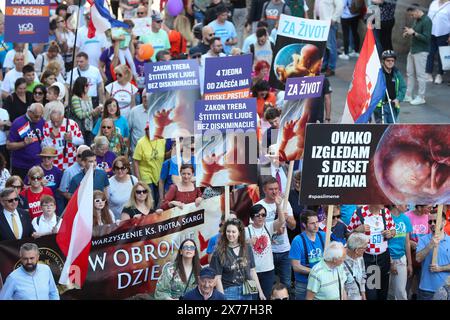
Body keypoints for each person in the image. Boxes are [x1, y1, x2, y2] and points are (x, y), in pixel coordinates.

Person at [347, 205, 396, 300]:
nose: (384, 200)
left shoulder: (385, 212)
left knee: (382, 293)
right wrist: (357, 230)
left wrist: (391, 233)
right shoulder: (359, 213)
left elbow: (393, 230)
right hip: (369, 259)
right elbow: (348, 235)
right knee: (372, 294)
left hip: (383, 258)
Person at [210, 218, 266, 300]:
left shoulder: (247, 248)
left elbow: (252, 271)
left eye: (233, 232)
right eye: (228, 231)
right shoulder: (218, 252)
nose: (230, 234)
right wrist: (222, 298)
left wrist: (260, 292)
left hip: (248, 288)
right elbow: (218, 278)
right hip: (229, 291)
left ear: (239, 233)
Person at [256, 177, 296, 289]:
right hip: (267, 252)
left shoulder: (285, 203)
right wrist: (273, 229)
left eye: (276, 189)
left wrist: (286, 217)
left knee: (287, 284)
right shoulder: (258, 206)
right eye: (271, 189)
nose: (274, 192)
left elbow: (293, 226)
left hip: (284, 251)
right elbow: (255, 231)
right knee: (269, 285)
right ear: (264, 190)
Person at [245, 202, 287, 299]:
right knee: (252, 297)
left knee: (267, 296)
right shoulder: (246, 230)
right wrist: (247, 242)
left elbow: (281, 220)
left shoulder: (268, 226)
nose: (261, 217)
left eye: (263, 215)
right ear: (252, 217)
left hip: (268, 270)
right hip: (251, 271)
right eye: (258, 215)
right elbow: (237, 247)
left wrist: (278, 205)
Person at [290, 210, 326, 300]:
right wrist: (316, 272)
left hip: (322, 282)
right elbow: (296, 266)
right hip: (304, 284)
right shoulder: (297, 241)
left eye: (317, 222)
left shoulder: (324, 235)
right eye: (312, 223)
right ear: (304, 225)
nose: (316, 225)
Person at [416, 209, 450, 300]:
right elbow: (418, 258)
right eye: (430, 221)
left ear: (444, 222)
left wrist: (440, 268)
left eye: (436, 221)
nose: (433, 224)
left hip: (446, 289)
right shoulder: (423, 239)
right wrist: (430, 244)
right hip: (426, 289)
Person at [403, 4, 432, 105]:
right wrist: (408, 32)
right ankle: (408, 95)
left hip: (421, 51)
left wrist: (414, 33)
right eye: (410, 15)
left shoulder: (427, 21)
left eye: (412, 15)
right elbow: (414, 31)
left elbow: (427, 39)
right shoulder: (417, 20)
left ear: (417, 11)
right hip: (413, 50)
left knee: (420, 75)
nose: (411, 17)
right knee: (409, 73)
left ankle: (421, 97)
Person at [42, 103, 84, 171]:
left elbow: (81, 141)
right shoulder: (47, 126)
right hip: (54, 164)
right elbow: (43, 147)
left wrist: (72, 139)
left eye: (58, 121)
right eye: (53, 122)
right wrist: (50, 138)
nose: (55, 124)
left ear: (62, 117)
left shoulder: (72, 124)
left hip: (71, 162)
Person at [6, 103, 45, 177]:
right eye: (36, 116)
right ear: (30, 112)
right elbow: (9, 145)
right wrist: (24, 143)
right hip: (21, 166)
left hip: (37, 165)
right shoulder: (18, 122)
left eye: (41, 116)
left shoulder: (42, 121)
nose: (39, 119)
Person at [133, 123, 166, 207]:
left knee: (159, 198)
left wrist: (175, 148)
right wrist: (139, 179)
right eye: (147, 130)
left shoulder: (162, 140)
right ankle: (150, 216)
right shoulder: (141, 143)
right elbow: (136, 161)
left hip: (158, 173)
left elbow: (165, 155)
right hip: (145, 174)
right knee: (149, 199)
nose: (149, 131)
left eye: (151, 129)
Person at [387, 205, 413, 300]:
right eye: (405, 203)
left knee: (401, 292)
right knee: (386, 291)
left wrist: (409, 264)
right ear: (397, 204)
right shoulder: (386, 217)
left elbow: (407, 243)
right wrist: (391, 262)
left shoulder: (405, 218)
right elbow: (384, 242)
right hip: (386, 258)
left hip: (401, 258)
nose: (407, 206)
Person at [406, 204, 432, 299]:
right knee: (406, 285)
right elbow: (402, 238)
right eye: (428, 207)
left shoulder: (429, 218)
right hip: (409, 256)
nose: (430, 209)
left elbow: (431, 236)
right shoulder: (407, 216)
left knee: (421, 285)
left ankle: (415, 295)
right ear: (419, 207)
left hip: (423, 257)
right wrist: (409, 242)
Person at [373, 50, 406, 123]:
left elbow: (403, 87)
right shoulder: (378, 74)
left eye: (392, 61)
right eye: (388, 60)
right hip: (381, 108)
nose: (390, 62)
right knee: (383, 131)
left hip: (393, 106)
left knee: (394, 131)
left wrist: (398, 99)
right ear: (383, 61)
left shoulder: (396, 73)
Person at [70, 76, 103, 146]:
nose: (88, 87)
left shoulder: (89, 97)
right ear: (81, 86)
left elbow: (90, 113)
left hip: (89, 127)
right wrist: (93, 111)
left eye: (89, 85)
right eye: (87, 85)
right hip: (80, 128)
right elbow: (80, 115)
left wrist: (97, 111)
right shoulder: (75, 98)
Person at [426, 0, 450, 84]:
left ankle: (440, 75)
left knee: (442, 55)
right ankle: (428, 73)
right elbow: (428, 17)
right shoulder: (434, 3)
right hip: (431, 32)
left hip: (444, 33)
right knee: (430, 53)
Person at [317, 0, 344, 77]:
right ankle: (325, 65)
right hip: (321, 23)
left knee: (331, 46)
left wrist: (333, 19)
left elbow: (340, 6)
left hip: (329, 23)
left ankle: (331, 68)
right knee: (324, 46)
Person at [344, 233, 368, 300]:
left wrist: (363, 295)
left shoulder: (359, 257)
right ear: (357, 250)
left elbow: (363, 276)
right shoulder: (339, 261)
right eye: (365, 248)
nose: (366, 250)